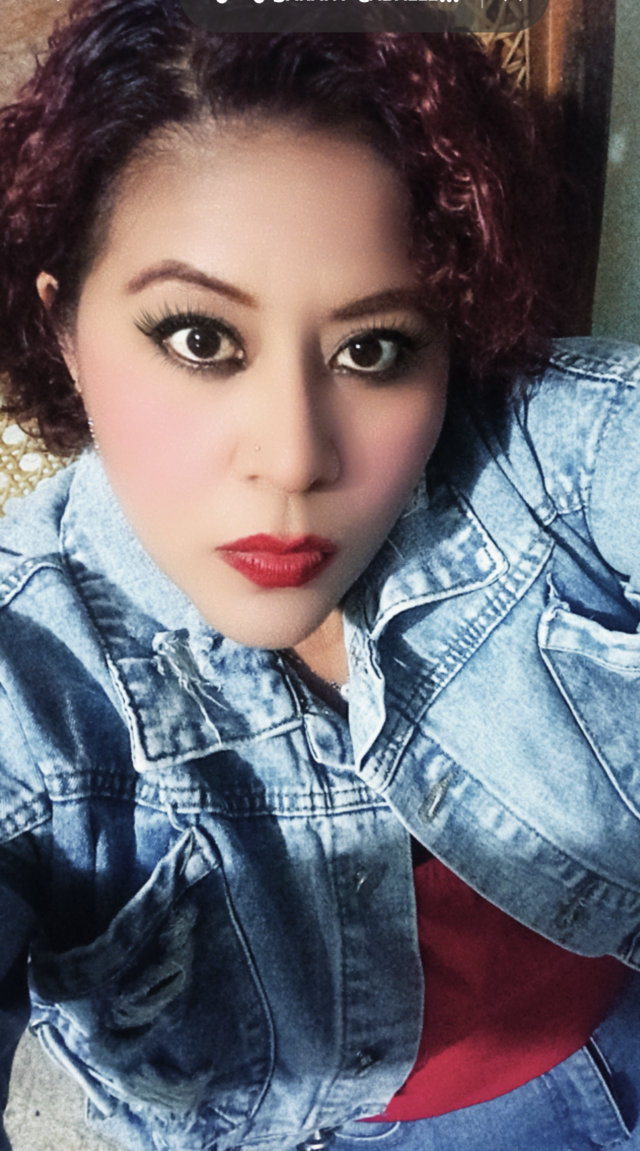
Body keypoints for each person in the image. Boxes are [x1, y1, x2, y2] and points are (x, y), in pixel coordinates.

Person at [1, 5, 640, 1150]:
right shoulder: (30, 681)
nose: (295, 457)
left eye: (372, 348)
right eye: (200, 338)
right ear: (66, 331)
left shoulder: (542, 467)